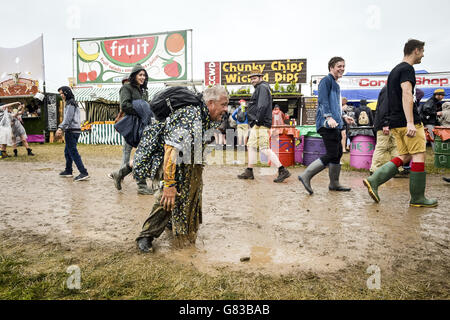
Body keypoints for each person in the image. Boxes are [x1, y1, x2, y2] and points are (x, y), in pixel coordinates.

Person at [135, 85, 229, 252]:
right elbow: (171, 149)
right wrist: (169, 184)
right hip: (174, 163)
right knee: (168, 198)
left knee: (191, 194)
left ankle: (176, 226)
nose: (226, 109)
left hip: (191, 162)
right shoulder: (190, 114)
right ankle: (146, 235)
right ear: (211, 103)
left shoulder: (205, 115)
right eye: (223, 104)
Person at [363, 39, 437, 207]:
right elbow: (407, 93)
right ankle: (418, 198)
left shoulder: (395, 70)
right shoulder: (407, 69)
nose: (423, 55)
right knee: (418, 154)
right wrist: (410, 122)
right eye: (422, 51)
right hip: (407, 122)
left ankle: (374, 180)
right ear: (416, 50)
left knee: (404, 156)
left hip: (396, 122)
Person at [298, 57, 355, 194]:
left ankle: (334, 183)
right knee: (331, 153)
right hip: (326, 124)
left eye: (343, 66)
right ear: (331, 68)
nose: (342, 68)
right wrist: (328, 117)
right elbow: (323, 101)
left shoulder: (335, 84)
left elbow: (335, 106)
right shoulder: (326, 81)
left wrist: (343, 117)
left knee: (338, 153)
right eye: (338, 66)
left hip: (335, 124)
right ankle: (306, 175)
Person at [237, 68, 291, 183]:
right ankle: (249, 170)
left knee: (264, 148)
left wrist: (256, 120)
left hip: (261, 124)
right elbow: (258, 105)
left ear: (261, 77)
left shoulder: (262, 87)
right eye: (251, 78)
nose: (252, 80)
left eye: (255, 78)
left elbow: (262, 106)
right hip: (258, 124)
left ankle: (282, 170)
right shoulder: (261, 88)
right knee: (250, 145)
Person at [110, 65, 154, 195]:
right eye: (140, 75)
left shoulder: (143, 91)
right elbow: (125, 105)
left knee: (143, 153)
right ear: (134, 75)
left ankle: (119, 173)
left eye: (144, 75)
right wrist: (140, 110)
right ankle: (141, 186)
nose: (142, 77)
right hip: (133, 125)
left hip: (143, 124)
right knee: (142, 153)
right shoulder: (126, 88)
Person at [55, 86, 90, 181]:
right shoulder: (72, 102)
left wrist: (60, 128)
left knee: (73, 152)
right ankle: (68, 170)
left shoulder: (70, 103)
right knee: (68, 151)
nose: (61, 95)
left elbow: (68, 118)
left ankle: (83, 172)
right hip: (74, 130)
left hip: (71, 130)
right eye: (60, 94)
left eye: (62, 93)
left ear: (66, 93)